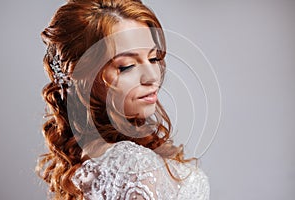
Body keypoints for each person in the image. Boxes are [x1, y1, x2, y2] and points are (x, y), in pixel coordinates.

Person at [37, 0, 210, 199]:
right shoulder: (133, 166)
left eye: (153, 59)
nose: (152, 76)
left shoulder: (92, 158)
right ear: (82, 76)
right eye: (126, 66)